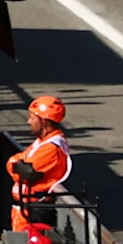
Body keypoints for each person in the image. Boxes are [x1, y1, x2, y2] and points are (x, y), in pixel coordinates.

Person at [8, 94, 72, 222]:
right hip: (28, 210)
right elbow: (15, 162)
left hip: (36, 213)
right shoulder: (42, 141)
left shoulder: (51, 148)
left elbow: (22, 172)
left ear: (43, 121)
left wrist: (16, 163)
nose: (29, 122)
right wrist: (15, 162)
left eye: (32, 117)